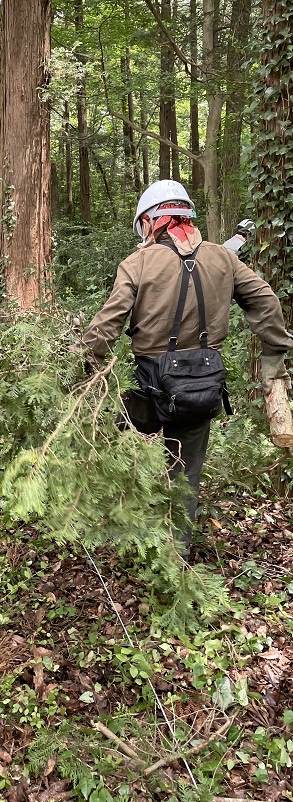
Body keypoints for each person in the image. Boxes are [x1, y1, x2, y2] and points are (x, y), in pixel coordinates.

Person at [78, 180, 293, 559]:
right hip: (201, 386)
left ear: (149, 223)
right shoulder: (223, 258)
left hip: (148, 385)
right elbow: (266, 301)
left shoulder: (138, 262)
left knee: (114, 439)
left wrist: (85, 367)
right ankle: (175, 555)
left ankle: (119, 524)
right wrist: (276, 355)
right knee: (185, 472)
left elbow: (107, 325)